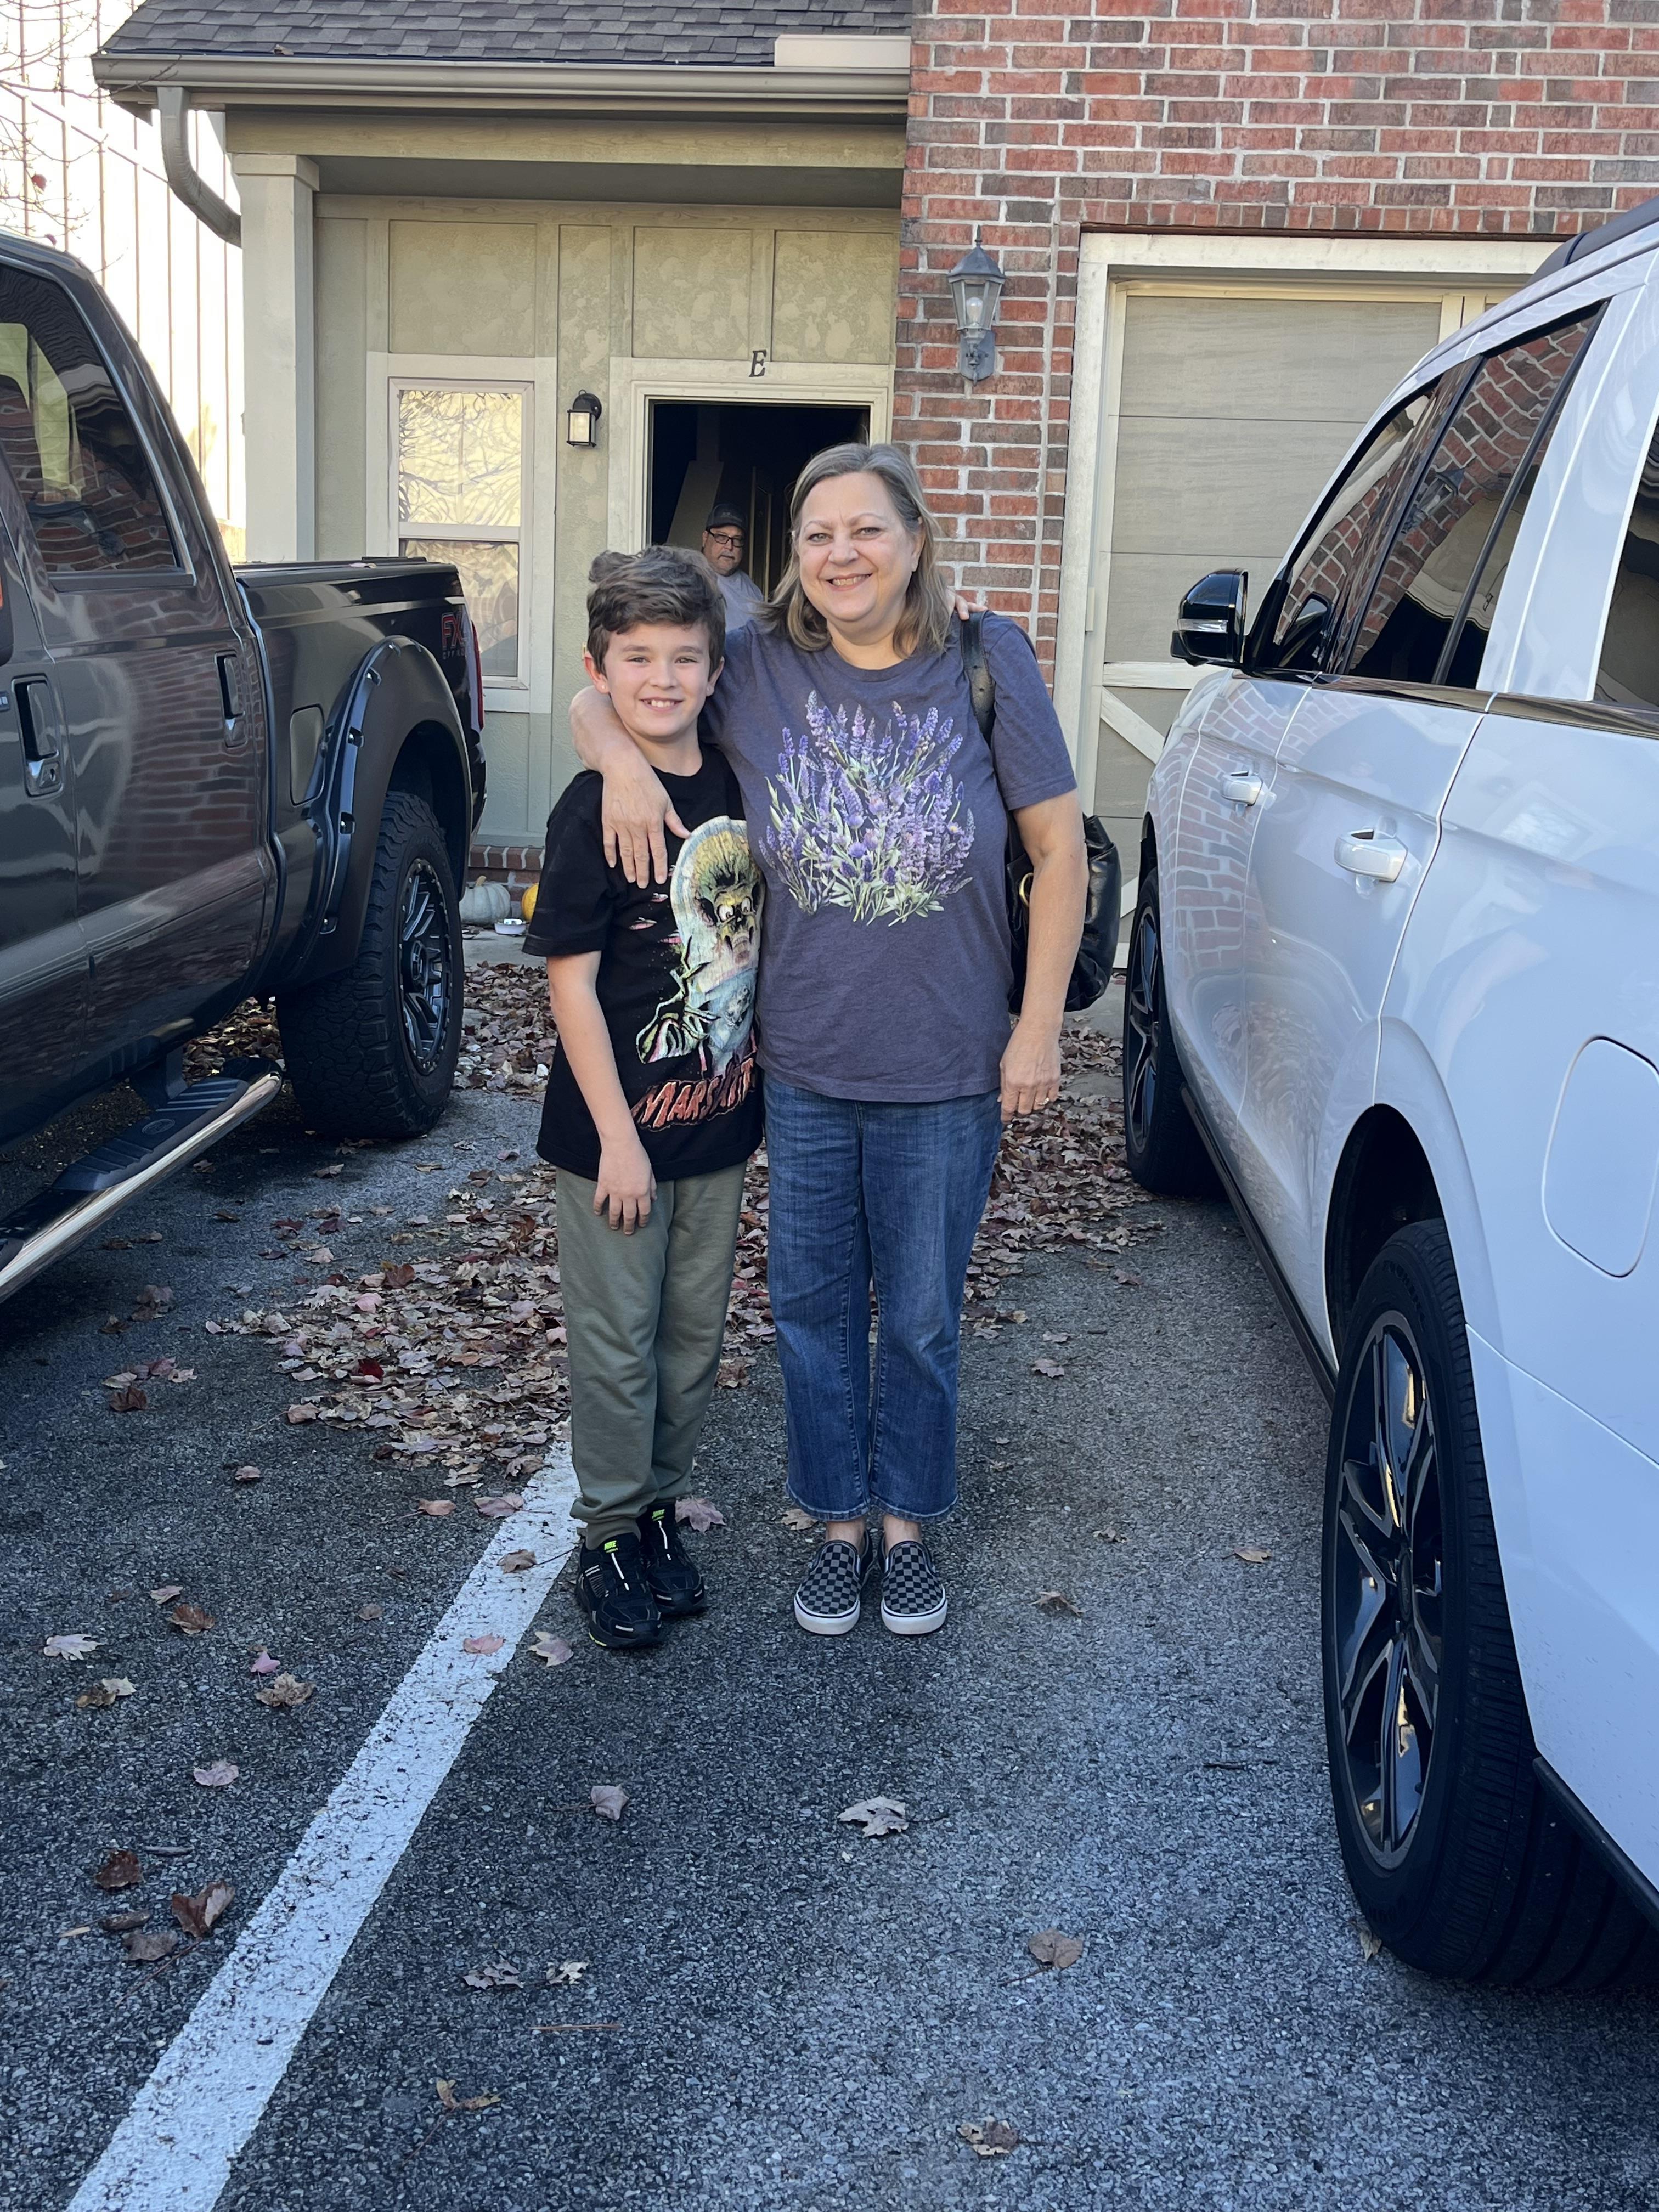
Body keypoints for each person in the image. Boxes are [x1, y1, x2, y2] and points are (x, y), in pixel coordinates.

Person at [572, 444, 1087, 1640]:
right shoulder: (759, 665)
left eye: (866, 529)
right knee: (808, 1308)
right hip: (801, 1060)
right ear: (796, 557)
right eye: (818, 535)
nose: (842, 554)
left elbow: (1058, 854)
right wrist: (617, 772)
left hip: (951, 1062)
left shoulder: (983, 660)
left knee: (917, 1313)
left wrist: (1038, 1029)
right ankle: (834, 1522)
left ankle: (906, 1528)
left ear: (914, 538)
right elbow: (619, 686)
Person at [523, 546, 763, 1651]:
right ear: (600, 668)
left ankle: (659, 1510)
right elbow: (572, 984)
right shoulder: (593, 810)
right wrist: (616, 1139)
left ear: (717, 669)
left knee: (688, 1341)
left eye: (683, 656)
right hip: (612, 1140)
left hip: (714, 1125)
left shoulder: (739, 778)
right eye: (636, 660)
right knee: (616, 1346)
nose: (661, 678)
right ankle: (608, 1534)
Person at [701, 503, 765, 633]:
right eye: (721, 537)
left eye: (737, 539)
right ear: (705, 538)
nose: (729, 547)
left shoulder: (751, 588)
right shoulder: (690, 580)